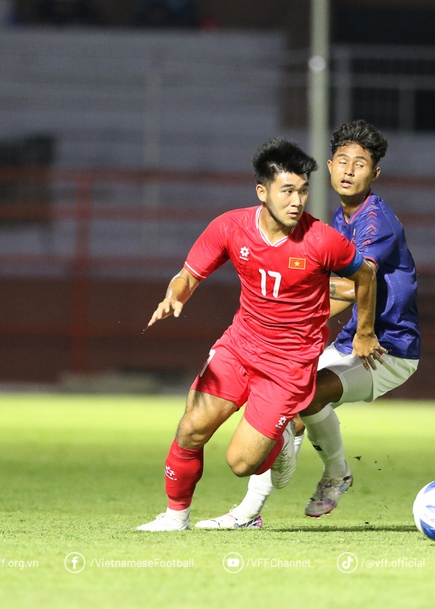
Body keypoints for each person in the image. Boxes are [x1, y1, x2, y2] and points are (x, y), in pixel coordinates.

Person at [137, 138, 384, 531]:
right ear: (262, 191)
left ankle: (279, 438)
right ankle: (175, 516)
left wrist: (365, 331)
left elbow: (365, 275)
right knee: (191, 427)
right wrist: (174, 296)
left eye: (303, 190)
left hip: (288, 365)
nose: (297, 201)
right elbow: (189, 275)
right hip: (240, 347)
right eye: (287, 190)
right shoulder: (231, 226)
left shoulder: (322, 240)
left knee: (241, 464)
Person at [196, 119, 421, 529]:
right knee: (292, 401)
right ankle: (323, 474)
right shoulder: (339, 218)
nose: (350, 170)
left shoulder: (375, 223)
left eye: (361, 163)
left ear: (375, 173)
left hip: (389, 348)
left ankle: (293, 492)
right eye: (342, 161)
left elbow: (357, 284)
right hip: (354, 342)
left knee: (301, 398)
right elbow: (330, 294)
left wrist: (360, 329)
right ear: (331, 166)